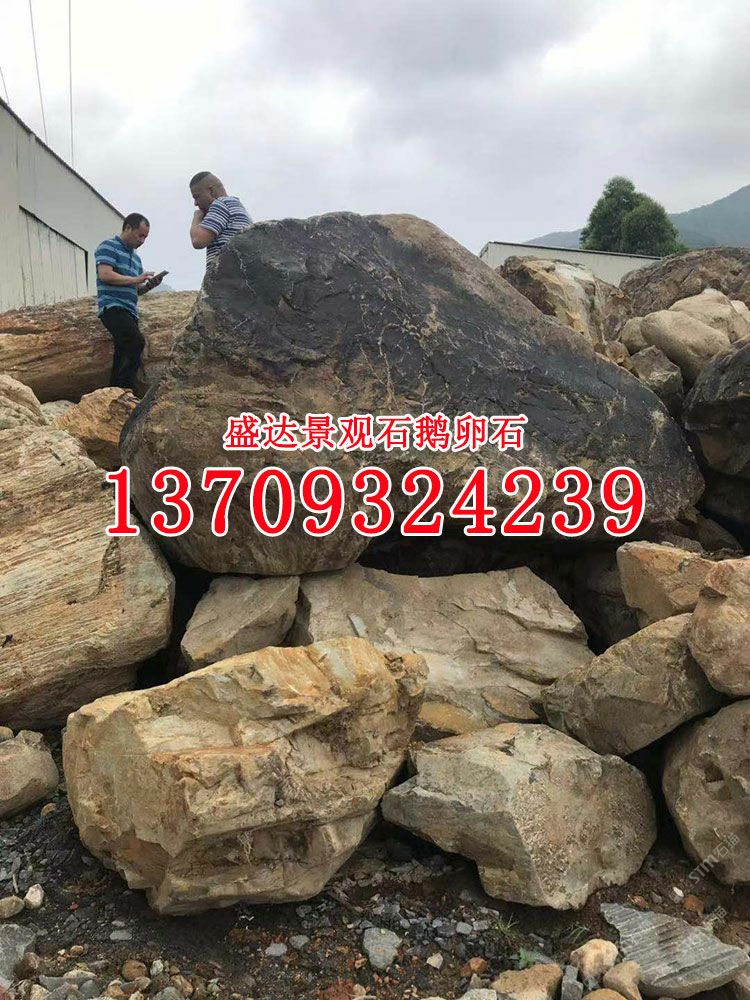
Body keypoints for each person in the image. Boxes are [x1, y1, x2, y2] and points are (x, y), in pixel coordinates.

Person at [95, 213, 164, 391]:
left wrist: (150, 285)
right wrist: (135, 279)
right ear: (127, 228)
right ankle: (125, 388)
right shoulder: (108, 246)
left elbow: (136, 289)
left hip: (130, 310)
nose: (142, 241)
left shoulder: (136, 259)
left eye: (145, 237)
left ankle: (113, 391)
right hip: (112, 307)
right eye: (140, 235)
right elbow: (105, 274)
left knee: (122, 350)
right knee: (136, 342)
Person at [189, 172, 252, 267]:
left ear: (211, 191)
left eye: (197, 197)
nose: (195, 203)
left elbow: (198, 241)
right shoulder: (235, 205)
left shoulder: (221, 204)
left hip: (227, 272)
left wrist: (197, 217)